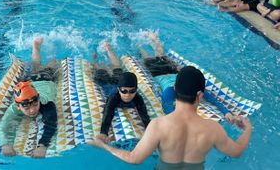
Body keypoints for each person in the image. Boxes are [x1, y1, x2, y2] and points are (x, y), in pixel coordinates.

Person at [89, 66, 252, 170]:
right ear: (200, 95)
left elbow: (134, 159)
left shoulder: (158, 126)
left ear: (174, 88)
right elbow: (236, 152)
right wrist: (248, 128)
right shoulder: (213, 129)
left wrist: (104, 146)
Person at [141, 32, 235, 123]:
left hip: (173, 73)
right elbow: (168, 111)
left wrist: (226, 112)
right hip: (159, 74)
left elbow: (211, 98)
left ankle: (152, 39)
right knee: (148, 57)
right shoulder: (169, 92)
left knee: (160, 56)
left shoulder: (194, 89)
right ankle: (142, 44)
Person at [0, 37, 58, 158]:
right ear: (19, 106)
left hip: (45, 78)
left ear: (39, 99)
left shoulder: (47, 104)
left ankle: (46, 50)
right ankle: (38, 47)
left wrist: (42, 146)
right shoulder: (15, 106)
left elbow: (51, 125)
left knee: (52, 65)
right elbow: (2, 126)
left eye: (35, 104)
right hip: (30, 82)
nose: (32, 110)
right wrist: (5, 144)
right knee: (36, 67)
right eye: (27, 107)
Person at [93, 42, 150, 141]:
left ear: (136, 89)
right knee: (102, 69)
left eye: (132, 91)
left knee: (117, 69)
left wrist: (149, 131)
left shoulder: (138, 98)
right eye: (124, 91)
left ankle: (108, 50)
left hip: (120, 81)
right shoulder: (114, 97)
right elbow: (108, 114)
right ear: (119, 90)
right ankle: (102, 53)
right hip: (107, 83)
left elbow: (144, 115)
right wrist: (103, 133)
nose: (128, 95)